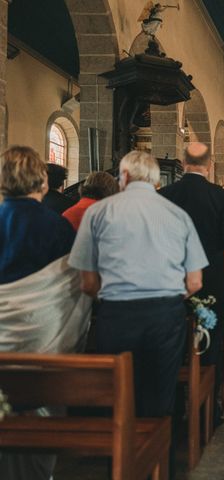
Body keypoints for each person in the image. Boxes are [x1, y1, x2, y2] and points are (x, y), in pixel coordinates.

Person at [69, 151, 208, 459]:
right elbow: (195, 282)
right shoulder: (178, 215)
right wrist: (166, 295)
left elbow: (87, 283)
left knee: (119, 395)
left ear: (125, 176)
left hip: (116, 315)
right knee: (160, 395)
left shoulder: (98, 212)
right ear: (157, 180)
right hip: (165, 314)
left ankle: (120, 463)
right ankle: (159, 464)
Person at [0, 146, 91, 480]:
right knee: (41, 398)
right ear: (40, 181)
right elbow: (74, 287)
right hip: (43, 340)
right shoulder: (57, 226)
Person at [159, 142, 224, 422]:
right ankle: (209, 408)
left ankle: (174, 404)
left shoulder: (166, 194)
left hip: (172, 277)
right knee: (211, 337)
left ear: (183, 164)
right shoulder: (221, 197)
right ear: (210, 165)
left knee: (174, 338)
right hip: (210, 277)